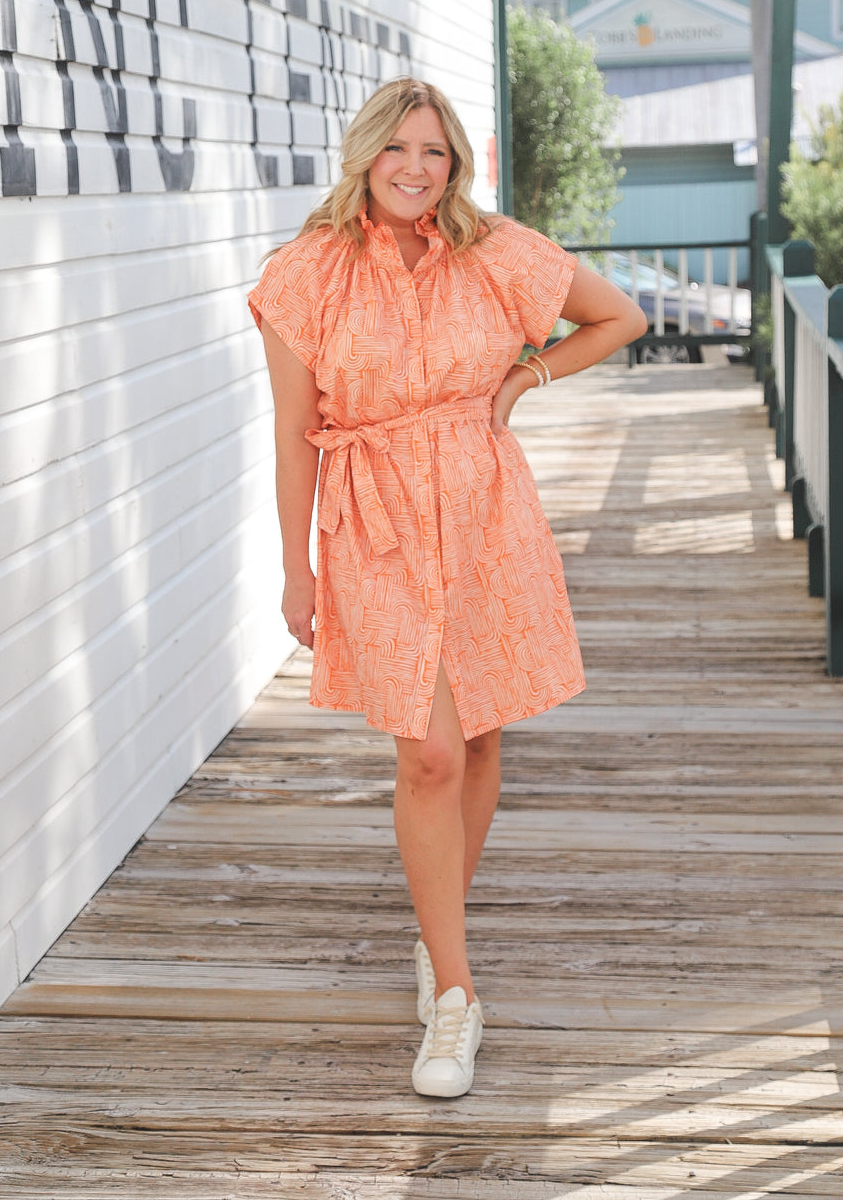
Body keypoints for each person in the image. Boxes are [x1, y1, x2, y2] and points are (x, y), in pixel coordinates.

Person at [248, 78, 645, 1099]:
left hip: (482, 510)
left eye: (435, 152)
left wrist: (523, 378)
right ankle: (456, 999)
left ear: (453, 162)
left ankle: (439, 936)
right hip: (372, 520)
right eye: (399, 151)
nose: (416, 170)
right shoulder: (307, 276)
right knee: (425, 751)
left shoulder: (495, 251)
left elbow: (617, 318)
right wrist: (297, 565)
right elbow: (295, 437)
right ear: (365, 156)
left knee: (477, 737)